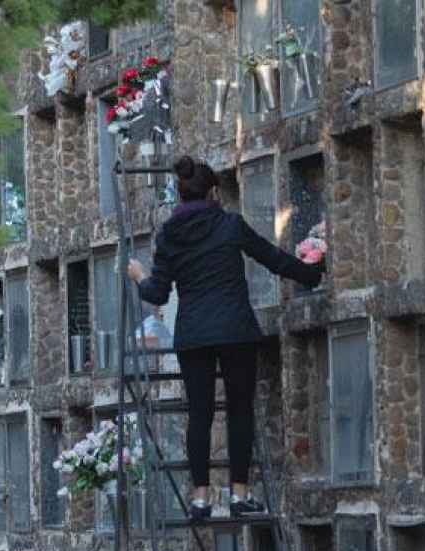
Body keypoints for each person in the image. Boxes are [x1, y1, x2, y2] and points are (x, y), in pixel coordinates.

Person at [129, 155, 323, 520]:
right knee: (239, 411)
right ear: (215, 191)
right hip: (235, 330)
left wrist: (138, 275)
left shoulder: (169, 235)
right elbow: (272, 258)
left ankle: (200, 499)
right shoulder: (229, 225)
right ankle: (239, 495)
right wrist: (312, 273)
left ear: (181, 195)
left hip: (194, 336)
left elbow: (157, 293)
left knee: (199, 415)